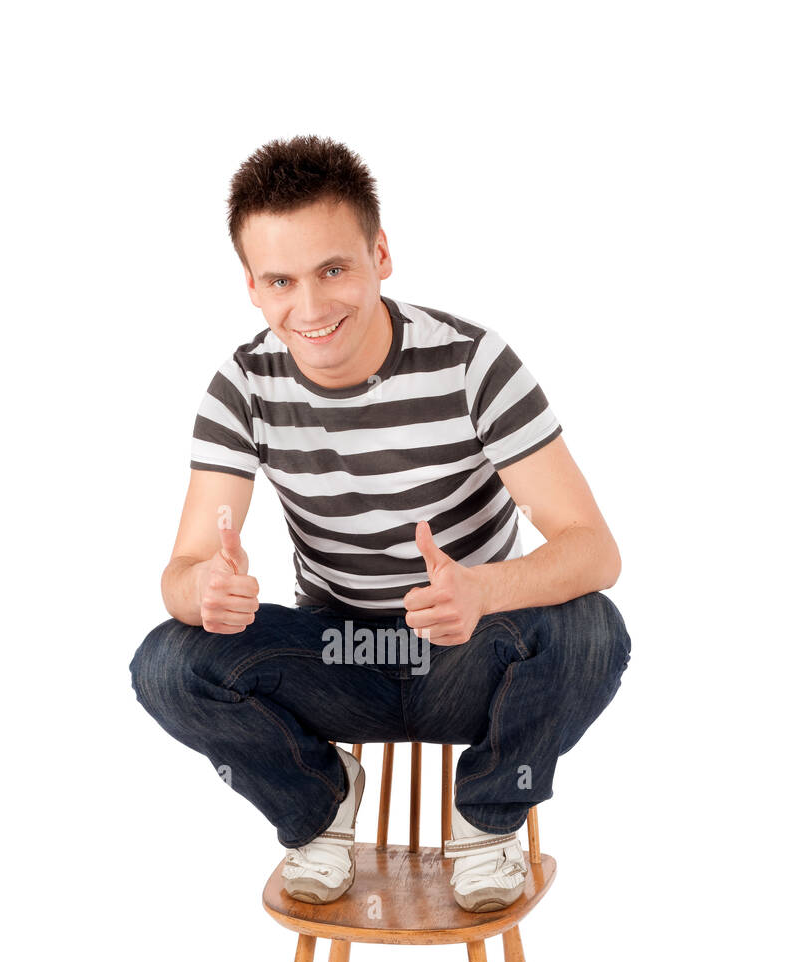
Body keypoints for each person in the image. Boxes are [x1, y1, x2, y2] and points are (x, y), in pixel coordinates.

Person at [129, 134, 631, 913]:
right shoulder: (242, 387)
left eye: (334, 269)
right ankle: (319, 805)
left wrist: (482, 590)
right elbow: (183, 568)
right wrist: (205, 590)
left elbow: (594, 550)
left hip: (469, 653)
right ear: (253, 289)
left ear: (380, 254)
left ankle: (484, 819)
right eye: (281, 280)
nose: (311, 307)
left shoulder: (472, 364)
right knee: (167, 662)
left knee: (592, 629)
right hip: (336, 657)